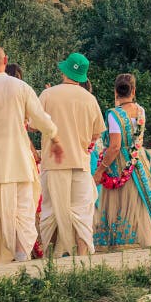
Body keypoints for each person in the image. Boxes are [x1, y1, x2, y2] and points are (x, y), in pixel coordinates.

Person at [0, 44, 62, 265]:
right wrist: (54, 137)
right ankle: (21, 256)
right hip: (18, 161)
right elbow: (40, 119)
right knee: (23, 212)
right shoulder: (22, 87)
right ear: (5, 61)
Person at [92, 74, 151, 250]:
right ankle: (141, 238)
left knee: (121, 201)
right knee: (139, 201)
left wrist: (100, 171)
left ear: (115, 91)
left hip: (120, 163)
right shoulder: (140, 110)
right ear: (134, 91)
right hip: (139, 161)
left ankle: (124, 241)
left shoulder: (113, 115)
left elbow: (114, 147)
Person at [37, 53, 105, 258]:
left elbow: (33, 124)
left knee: (50, 211)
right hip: (80, 162)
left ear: (63, 71)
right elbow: (96, 133)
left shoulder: (48, 95)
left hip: (52, 163)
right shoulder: (90, 99)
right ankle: (82, 256)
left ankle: (50, 255)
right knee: (82, 212)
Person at [4, 63, 44, 260]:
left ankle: (7, 248)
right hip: (21, 153)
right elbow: (28, 128)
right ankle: (27, 247)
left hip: (1, 155)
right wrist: (34, 152)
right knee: (27, 202)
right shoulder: (23, 95)